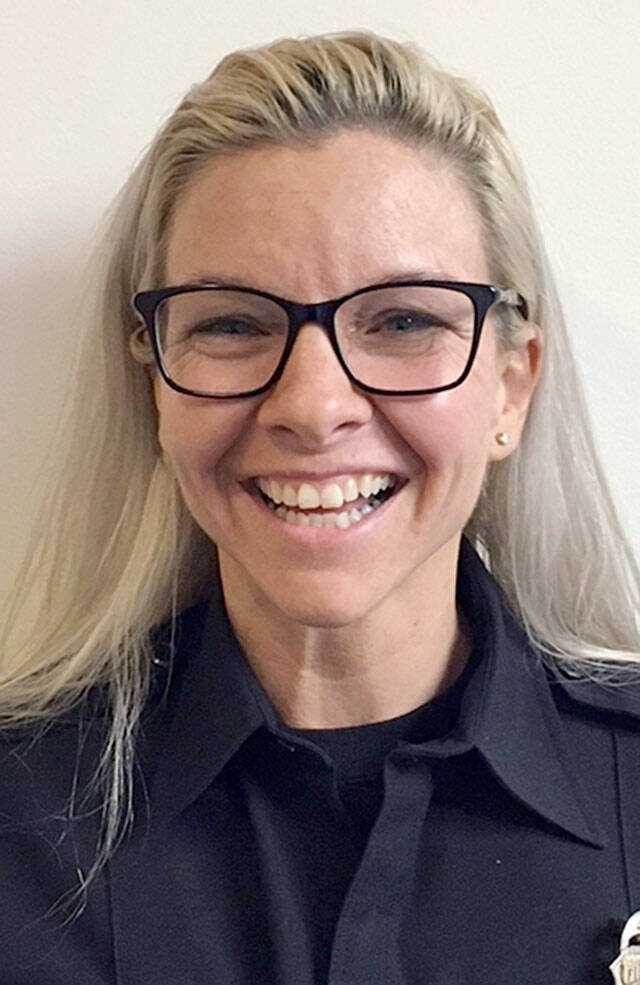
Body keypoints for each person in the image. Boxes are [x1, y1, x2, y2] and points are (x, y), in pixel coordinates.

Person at [1, 30, 639, 985]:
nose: (311, 405)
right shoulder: (17, 823)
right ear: (155, 390)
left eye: (404, 319)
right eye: (231, 323)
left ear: (511, 386)